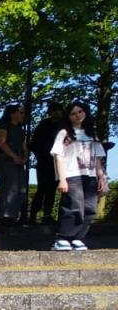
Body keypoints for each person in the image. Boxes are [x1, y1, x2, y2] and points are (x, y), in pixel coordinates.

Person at [52, 101, 105, 251]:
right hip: (71, 174)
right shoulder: (64, 133)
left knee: (90, 208)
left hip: (90, 175)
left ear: (85, 112)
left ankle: (78, 237)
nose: (77, 115)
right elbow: (58, 155)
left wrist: (101, 176)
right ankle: (63, 238)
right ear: (68, 116)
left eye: (80, 111)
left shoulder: (92, 133)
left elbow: (98, 158)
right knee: (73, 206)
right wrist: (62, 179)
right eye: (73, 113)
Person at [27, 102, 65, 225]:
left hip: (58, 162)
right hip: (44, 162)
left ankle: (47, 215)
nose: (56, 113)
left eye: (58, 110)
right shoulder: (44, 125)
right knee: (42, 189)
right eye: (54, 111)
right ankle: (33, 215)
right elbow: (34, 144)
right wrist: (41, 155)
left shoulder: (65, 125)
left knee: (51, 190)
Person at [0, 103, 29, 225]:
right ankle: (6, 216)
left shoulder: (21, 129)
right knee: (9, 187)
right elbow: (2, 143)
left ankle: (14, 215)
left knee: (21, 188)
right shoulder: (4, 126)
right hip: (7, 160)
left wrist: (25, 156)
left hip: (19, 161)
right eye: (21, 112)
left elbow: (24, 145)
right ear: (12, 114)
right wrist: (14, 157)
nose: (23, 115)